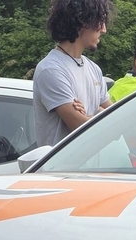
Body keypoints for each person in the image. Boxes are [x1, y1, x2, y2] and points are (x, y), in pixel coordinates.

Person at [32, 0, 114, 147]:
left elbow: (117, 115)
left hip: (91, 167)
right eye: (99, 21)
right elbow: (80, 128)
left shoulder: (93, 68)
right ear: (82, 22)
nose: (104, 29)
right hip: (61, 169)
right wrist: (96, 114)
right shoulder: (51, 69)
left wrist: (92, 116)